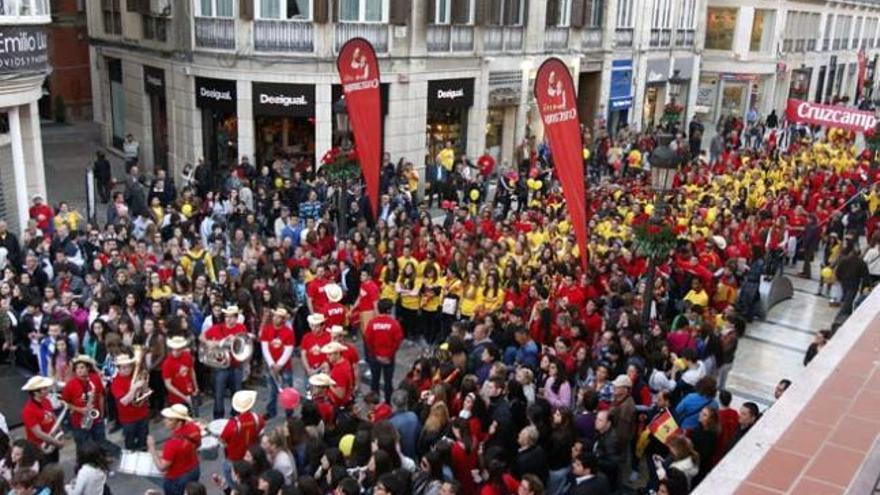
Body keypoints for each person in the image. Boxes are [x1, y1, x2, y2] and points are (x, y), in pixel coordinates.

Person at [201, 305, 247, 418]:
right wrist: (209, 342)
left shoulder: (241, 328)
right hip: (221, 367)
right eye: (226, 317)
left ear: (236, 318)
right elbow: (201, 337)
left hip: (236, 365)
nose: (228, 319)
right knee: (219, 394)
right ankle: (218, 417)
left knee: (237, 393)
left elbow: (244, 343)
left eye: (231, 317)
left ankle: (236, 416)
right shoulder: (217, 327)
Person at [148, 404, 201, 495]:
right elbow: (198, 445)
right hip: (194, 469)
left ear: (179, 422)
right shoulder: (194, 428)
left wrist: (152, 448)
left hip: (178, 479)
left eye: (170, 420)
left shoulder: (172, 444)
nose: (165, 421)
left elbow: (162, 467)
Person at [220, 391, 265, 487]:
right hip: (251, 457)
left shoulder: (232, 424)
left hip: (235, 459)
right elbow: (261, 434)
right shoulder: (258, 418)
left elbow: (223, 440)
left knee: (232, 481)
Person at [61, 355, 106, 449]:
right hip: (79, 421)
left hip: (96, 418)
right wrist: (80, 409)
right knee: (82, 447)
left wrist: (102, 414)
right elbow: (64, 402)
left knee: (100, 443)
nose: (79, 370)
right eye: (77, 368)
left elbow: (101, 396)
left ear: (88, 368)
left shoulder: (95, 378)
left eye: (82, 367)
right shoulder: (70, 385)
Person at [363, 299, 404, 403]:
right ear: (389, 310)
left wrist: (375, 355)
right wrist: (389, 356)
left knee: (374, 381)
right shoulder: (394, 324)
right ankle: (387, 403)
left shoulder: (372, 323)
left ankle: (374, 403)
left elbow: (368, 341)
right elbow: (398, 341)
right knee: (388, 382)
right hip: (388, 359)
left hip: (375, 358)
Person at [260, 307, 295, 418]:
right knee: (271, 389)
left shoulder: (288, 332)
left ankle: (289, 412)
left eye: (279, 317)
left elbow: (288, 350)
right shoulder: (266, 329)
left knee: (287, 390)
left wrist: (279, 364)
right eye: (275, 316)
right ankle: (271, 411)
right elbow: (264, 348)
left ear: (283, 319)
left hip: (284, 365)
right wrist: (271, 363)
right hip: (271, 365)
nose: (276, 318)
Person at [110, 353, 150, 450]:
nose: (127, 369)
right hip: (128, 419)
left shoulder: (136, 376)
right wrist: (134, 389)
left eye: (129, 367)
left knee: (143, 443)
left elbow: (146, 395)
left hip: (143, 415)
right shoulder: (116, 382)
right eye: (123, 367)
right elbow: (124, 402)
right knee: (130, 445)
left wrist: (144, 386)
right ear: (118, 369)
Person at [20, 376, 63, 463]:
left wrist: (60, 433)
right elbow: (38, 434)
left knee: (55, 463)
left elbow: (53, 417)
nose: (47, 390)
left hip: (52, 442)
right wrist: (57, 443)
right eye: (44, 389)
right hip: (40, 448)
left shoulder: (46, 401)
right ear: (36, 392)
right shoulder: (28, 410)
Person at [161, 336, 198, 408]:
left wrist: (196, 387)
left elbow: (192, 371)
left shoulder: (187, 355)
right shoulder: (167, 363)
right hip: (176, 399)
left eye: (178, 350)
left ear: (182, 349)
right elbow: (168, 385)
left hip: (190, 393)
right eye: (174, 349)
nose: (175, 352)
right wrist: (184, 397)